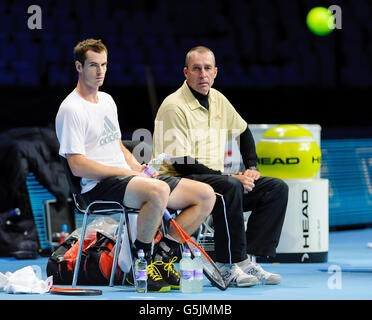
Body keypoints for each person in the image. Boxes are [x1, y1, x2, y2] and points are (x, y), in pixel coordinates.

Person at [55, 39, 216, 292]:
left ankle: (163, 258)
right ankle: (140, 266)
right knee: (158, 191)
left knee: (205, 195)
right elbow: (78, 166)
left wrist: (137, 168)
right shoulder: (71, 109)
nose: (100, 72)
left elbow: (117, 145)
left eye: (104, 65)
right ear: (78, 66)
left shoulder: (107, 100)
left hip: (129, 179)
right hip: (97, 187)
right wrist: (126, 172)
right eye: (93, 65)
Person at [153, 46, 289, 287]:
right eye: (196, 68)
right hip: (178, 182)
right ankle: (227, 266)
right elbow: (180, 162)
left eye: (207, 68)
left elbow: (244, 130)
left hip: (213, 180)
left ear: (215, 72)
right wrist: (230, 177)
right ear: (186, 72)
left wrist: (251, 166)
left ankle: (246, 260)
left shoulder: (218, 100)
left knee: (275, 188)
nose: (202, 74)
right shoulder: (174, 106)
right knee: (228, 187)